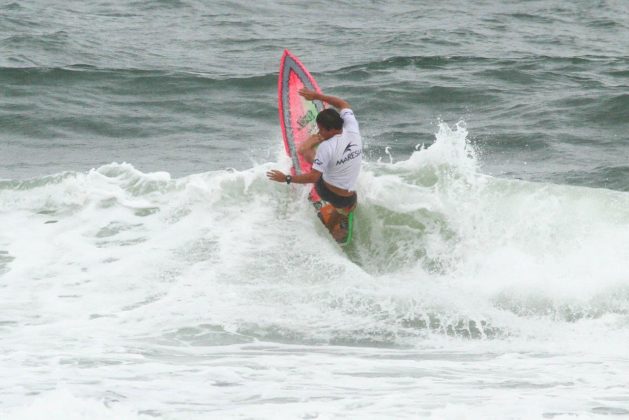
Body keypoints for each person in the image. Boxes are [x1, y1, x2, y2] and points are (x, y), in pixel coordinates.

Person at [267, 88, 362, 239]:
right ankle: (341, 216)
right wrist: (317, 96)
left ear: (330, 130)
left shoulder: (326, 147)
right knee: (348, 204)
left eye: (321, 130)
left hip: (327, 192)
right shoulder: (352, 129)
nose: (319, 132)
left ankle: (330, 229)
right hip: (348, 198)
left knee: (310, 155)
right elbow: (342, 103)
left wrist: (286, 178)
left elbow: (313, 178)